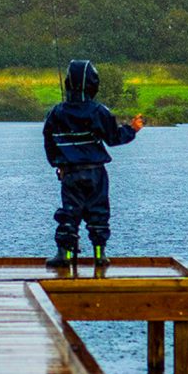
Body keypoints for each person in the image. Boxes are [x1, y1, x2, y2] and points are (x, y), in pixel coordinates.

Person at [42, 59, 144, 270]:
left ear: (69, 83)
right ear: (92, 84)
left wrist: (57, 164)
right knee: (98, 212)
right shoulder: (98, 111)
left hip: (70, 173)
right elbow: (114, 138)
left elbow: (49, 141)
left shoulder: (56, 112)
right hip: (96, 173)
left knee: (70, 213)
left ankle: (64, 255)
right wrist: (132, 129)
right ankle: (100, 255)